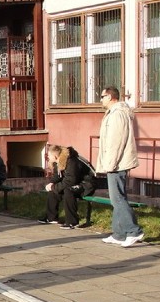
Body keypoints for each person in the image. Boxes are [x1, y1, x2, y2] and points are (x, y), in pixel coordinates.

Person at [97, 86, 144, 247]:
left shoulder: (117, 114)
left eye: (102, 96)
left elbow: (116, 142)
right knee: (116, 198)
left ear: (110, 97)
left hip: (116, 164)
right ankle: (119, 233)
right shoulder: (114, 113)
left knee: (117, 198)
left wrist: (110, 164)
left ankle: (134, 231)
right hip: (115, 163)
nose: (101, 99)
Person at [38, 145, 95, 229]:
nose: (48, 157)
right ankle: (51, 217)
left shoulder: (71, 161)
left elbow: (71, 180)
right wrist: (51, 184)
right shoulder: (60, 161)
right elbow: (57, 176)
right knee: (54, 189)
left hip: (87, 184)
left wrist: (55, 187)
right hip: (76, 182)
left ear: (55, 156)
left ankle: (72, 222)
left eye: (49, 155)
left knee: (69, 191)